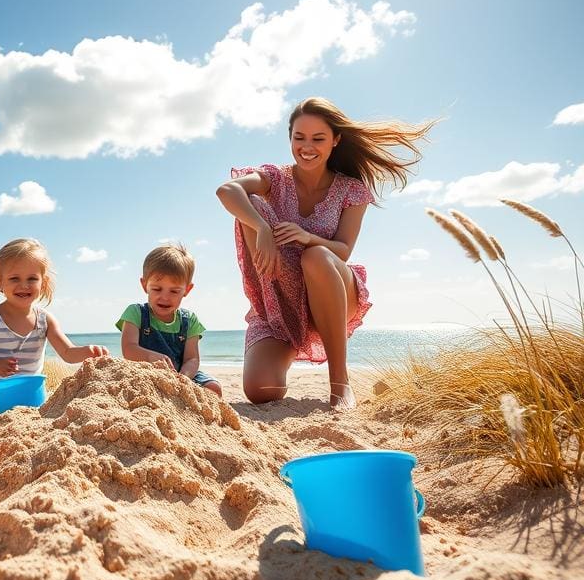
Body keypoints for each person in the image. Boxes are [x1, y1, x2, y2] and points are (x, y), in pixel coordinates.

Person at [216, 97, 434, 408]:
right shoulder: (274, 178)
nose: (307, 146)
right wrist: (262, 228)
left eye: (318, 138)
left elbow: (343, 250)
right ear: (290, 137)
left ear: (335, 141)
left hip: (331, 292)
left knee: (315, 255)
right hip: (282, 303)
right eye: (299, 137)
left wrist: (307, 237)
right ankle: (287, 344)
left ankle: (340, 383)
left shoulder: (351, 190)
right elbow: (228, 190)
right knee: (260, 390)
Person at [0, 238, 109, 427]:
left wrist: (88, 351)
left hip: (33, 400)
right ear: (0, 282)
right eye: (15, 279)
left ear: (43, 282)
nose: (24, 285)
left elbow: (67, 353)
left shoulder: (44, 320)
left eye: (32, 279)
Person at [116, 244, 223, 397]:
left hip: (180, 373)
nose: (165, 297)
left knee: (214, 388)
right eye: (157, 289)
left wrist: (183, 378)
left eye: (174, 291)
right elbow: (129, 349)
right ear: (144, 285)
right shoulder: (136, 312)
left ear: (187, 290)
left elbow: (191, 359)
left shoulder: (189, 320)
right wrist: (151, 357)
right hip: (145, 372)